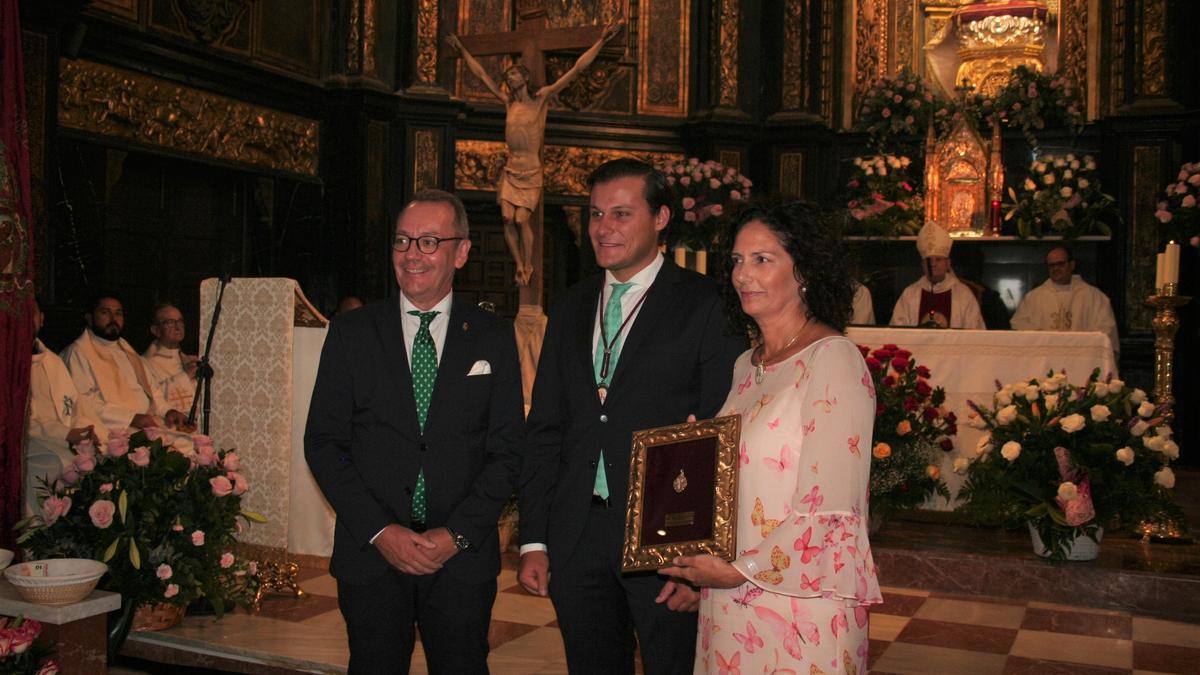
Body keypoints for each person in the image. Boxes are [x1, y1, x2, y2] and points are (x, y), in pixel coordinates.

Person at [517, 159, 746, 674]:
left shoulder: (705, 303)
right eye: (597, 214)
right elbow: (547, 427)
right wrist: (535, 538)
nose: (604, 228)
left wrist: (696, 563)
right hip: (578, 534)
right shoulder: (572, 305)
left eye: (621, 213)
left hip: (665, 540)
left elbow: (721, 433)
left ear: (661, 217)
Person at [305, 189, 524, 674]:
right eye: (403, 241)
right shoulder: (352, 333)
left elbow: (509, 450)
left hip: (461, 561)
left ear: (461, 252)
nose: (411, 255)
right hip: (372, 556)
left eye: (429, 242)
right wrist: (382, 531)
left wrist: (459, 534)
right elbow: (323, 442)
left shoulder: (492, 335)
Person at [660, 200, 882, 673]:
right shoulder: (747, 365)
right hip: (729, 599)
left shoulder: (833, 360)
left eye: (763, 259)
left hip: (802, 607)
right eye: (738, 261)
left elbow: (831, 511)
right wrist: (700, 567)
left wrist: (738, 571)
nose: (743, 275)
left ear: (804, 270)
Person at [447, 21, 621, 286]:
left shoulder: (541, 99)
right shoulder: (509, 103)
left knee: (521, 219)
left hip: (529, 170)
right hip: (510, 168)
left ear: (525, 77)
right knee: (507, 218)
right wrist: (462, 50)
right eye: (507, 76)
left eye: (514, 75)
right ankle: (519, 264)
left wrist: (600, 42)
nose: (509, 78)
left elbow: (575, 70)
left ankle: (528, 264)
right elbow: (482, 75)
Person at [25, 298, 108, 516]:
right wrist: (66, 434)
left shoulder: (52, 361)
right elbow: (20, 421)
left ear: (42, 319)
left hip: (64, 441)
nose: (26, 318)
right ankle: (39, 543)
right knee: (54, 464)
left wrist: (89, 433)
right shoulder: (10, 362)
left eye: (32, 312)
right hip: (29, 446)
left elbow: (76, 404)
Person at [61, 294, 188, 430]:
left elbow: (153, 391)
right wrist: (130, 418)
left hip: (148, 423)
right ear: (90, 318)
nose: (113, 319)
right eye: (105, 312)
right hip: (113, 429)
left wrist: (169, 411)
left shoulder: (127, 351)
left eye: (118, 314)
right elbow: (83, 401)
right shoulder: (78, 352)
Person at [1011, 245, 1120, 359]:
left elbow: (1106, 328)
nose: (1056, 268)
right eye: (1052, 265)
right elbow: (1018, 324)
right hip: (1045, 358)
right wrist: (1043, 336)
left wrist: (1082, 341)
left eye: (1060, 264)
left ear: (1072, 265)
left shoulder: (1094, 296)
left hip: (1082, 358)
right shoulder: (1033, 297)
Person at [890, 221, 985, 329]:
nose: (933, 264)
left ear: (948, 263)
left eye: (938, 260)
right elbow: (899, 330)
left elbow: (974, 331)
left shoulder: (963, 294)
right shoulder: (910, 294)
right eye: (928, 261)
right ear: (922, 265)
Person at [141, 302, 198, 413]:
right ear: (156, 330)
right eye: (170, 322)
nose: (177, 327)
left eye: (180, 321)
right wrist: (185, 377)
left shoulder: (188, 359)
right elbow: (151, 399)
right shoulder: (145, 363)